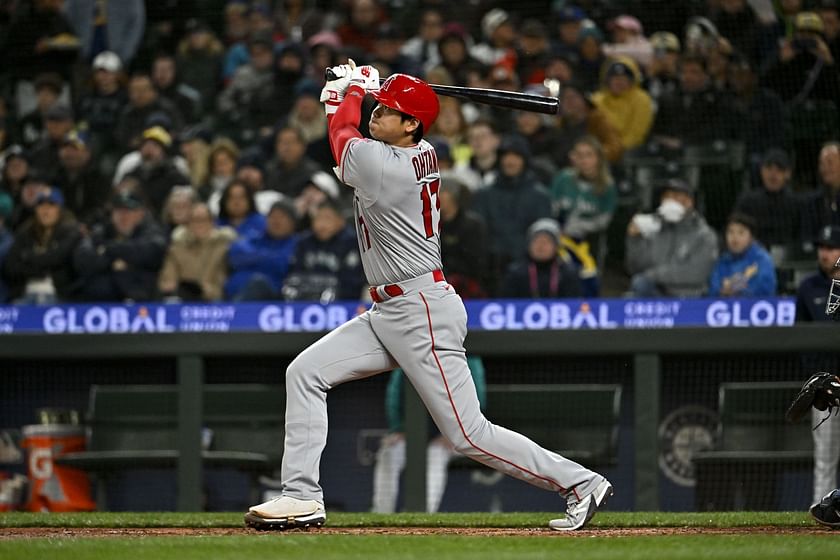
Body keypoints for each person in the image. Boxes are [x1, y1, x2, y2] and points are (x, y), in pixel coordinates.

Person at [244, 63, 613, 531]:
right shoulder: (416, 151)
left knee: (468, 435)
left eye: (389, 111)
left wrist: (352, 92)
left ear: (412, 125)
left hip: (420, 309)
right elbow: (349, 138)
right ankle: (302, 496)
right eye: (377, 109)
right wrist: (357, 94)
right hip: (392, 308)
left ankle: (580, 483)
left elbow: (341, 142)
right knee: (305, 373)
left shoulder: (387, 165)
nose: (377, 114)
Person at [371, 356, 487, 513]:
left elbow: (476, 399)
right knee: (389, 453)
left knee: (436, 454)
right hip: (411, 434)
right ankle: (382, 512)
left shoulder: (469, 357)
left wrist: (454, 433)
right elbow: (394, 394)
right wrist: (398, 429)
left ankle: (423, 514)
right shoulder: (411, 350)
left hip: (452, 436)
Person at [795, 225, 840, 505]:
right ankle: (822, 514)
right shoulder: (808, 287)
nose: (825, 253)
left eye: (832, 247)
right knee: (825, 458)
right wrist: (819, 379)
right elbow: (800, 338)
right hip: (827, 388)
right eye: (822, 247)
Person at [625, 178, 719, 297]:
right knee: (634, 292)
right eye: (666, 197)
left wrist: (654, 275)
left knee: (641, 283)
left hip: (689, 298)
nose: (669, 201)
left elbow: (697, 273)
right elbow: (635, 268)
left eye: (675, 196)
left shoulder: (704, 235)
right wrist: (634, 239)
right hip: (657, 294)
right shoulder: (655, 229)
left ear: (689, 202)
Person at [73, 191, 167, 302]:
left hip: (142, 302)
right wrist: (115, 263)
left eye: (129, 211)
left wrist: (107, 249)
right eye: (119, 211)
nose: (123, 216)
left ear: (140, 213)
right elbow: (82, 259)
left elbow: (153, 252)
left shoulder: (151, 231)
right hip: (101, 302)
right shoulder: (101, 231)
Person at [2, 187, 81, 304]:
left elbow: (58, 258)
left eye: (51, 205)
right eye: (41, 205)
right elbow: (10, 267)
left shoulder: (71, 233)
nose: (45, 210)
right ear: (35, 209)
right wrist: (42, 268)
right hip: (24, 295)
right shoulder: (24, 233)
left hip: (60, 297)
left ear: (60, 209)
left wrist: (27, 257)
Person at [282, 199, 364, 303]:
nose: (322, 224)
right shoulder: (304, 242)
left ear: (341, 221)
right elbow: (294, 275)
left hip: (343, 302)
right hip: (305, 300)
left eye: (327, 218)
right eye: (318, 218)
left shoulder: (352, 242)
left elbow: (353, 283)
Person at [158, 202, 236, 302]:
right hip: (183, 299)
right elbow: (167, 280)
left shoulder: (224, 246)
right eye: (195, 220)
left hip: (215, 300)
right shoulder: (177, 249)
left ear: (212, 222)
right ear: (188, 224)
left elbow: (224, 280)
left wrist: (206, 290)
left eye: (203, 220)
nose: (199, 224)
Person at [224, 199, 298, 301]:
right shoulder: (254, 238)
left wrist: (253, 257)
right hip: (233, 294)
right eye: (273, 216)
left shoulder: (296, 244)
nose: (276, 221)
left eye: (282, 217)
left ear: (293, 223)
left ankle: (236, 315)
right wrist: (268, 257)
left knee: (258, 283)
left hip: (271, 301)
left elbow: (282, 264)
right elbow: (235, 256)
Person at [733, 148, 800, 251]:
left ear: (788, 174)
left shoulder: (797, 203)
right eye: (769, 168)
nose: (773, 174)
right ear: (761, 171)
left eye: (779, 169)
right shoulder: (747, 202)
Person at [501, 218, 583, 298]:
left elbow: (574, 304)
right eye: (536, 241)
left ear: (556, 247)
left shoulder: (568, 273)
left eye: (546, 242)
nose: (540, 246)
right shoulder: (516, 273)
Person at [708, 213, 777, 297]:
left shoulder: (762, 260)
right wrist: (722, 291)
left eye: (741, 233)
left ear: (751, 237)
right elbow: (713, 289)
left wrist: (737, 290)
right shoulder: (722, 261)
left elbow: (765, 290)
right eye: (730, 232)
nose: (735, 237)